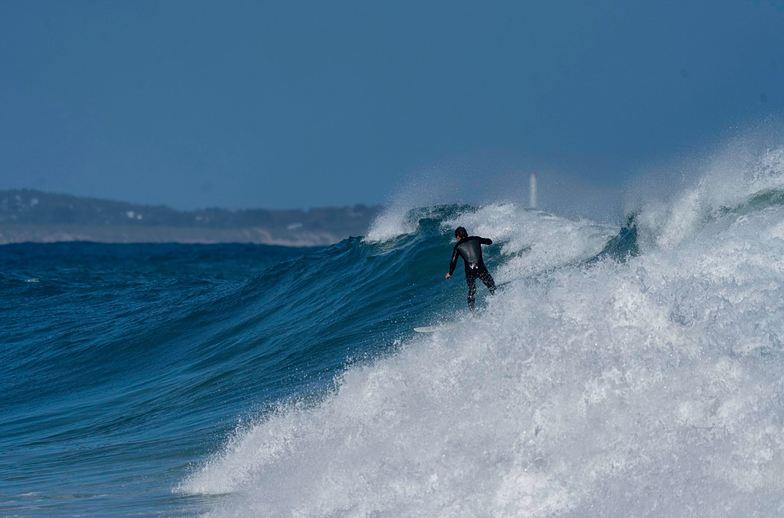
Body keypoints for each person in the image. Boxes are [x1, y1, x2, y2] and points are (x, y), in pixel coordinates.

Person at [445, 226, 496, 310]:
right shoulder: (476, 239)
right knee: (491, 285)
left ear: (458, 236)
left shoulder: (457, 246)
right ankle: (497, 298)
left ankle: (472, 311)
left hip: (470, 272)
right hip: (481, 269)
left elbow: (453, 261)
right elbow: (489, 241)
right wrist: (488, 241)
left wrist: (450, 273)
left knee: (472, 290)